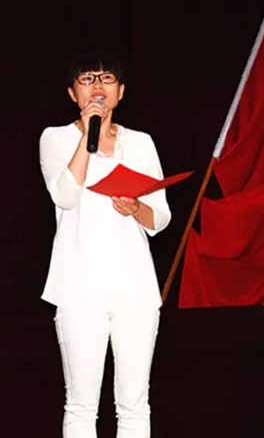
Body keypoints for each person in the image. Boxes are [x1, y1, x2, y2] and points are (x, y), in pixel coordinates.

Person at [39, 51, 171, 438]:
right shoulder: (55, 138)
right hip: (79, 288)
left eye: (107, 78)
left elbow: (160, 217)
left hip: (135, 288)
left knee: (134, 404)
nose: (97, 85)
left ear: (121, 91)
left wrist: (136, 208)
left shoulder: (141, 143)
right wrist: (87, 134)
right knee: (81, 406)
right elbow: (65, 196)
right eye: (87, 78)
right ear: (72, 92)